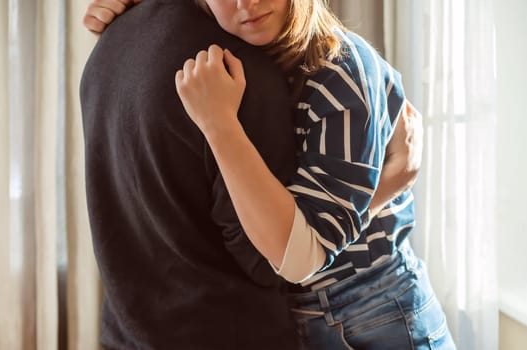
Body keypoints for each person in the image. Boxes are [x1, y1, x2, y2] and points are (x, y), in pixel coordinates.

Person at [81, 0, 446, 349]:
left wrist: (219, 123)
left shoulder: (341, 71)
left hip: (373, 302)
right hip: (304, 309)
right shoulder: (249, 54)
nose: (247, 3)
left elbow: (305, 255)